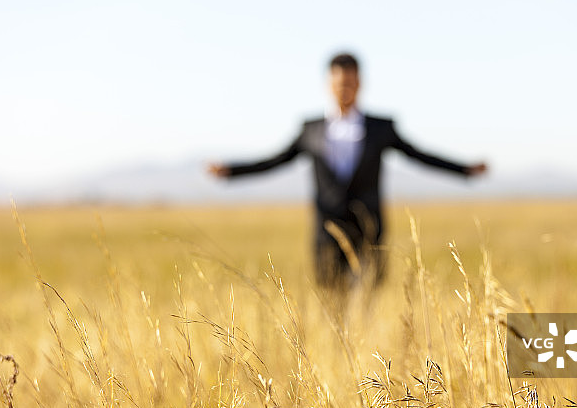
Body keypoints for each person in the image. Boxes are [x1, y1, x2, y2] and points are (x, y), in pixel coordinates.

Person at [208, 53, 487, 290]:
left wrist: (465, 170)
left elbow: (420, 156)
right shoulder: (311, 129)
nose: (345, 89)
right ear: (329, 84)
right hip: (326, 233)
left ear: (359, 84)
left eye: (350, 83)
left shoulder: (381, 128)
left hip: (368, 232)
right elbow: (274, 161)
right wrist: (231, 171)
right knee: (333, 308)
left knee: (365, 305)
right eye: (339, 83)